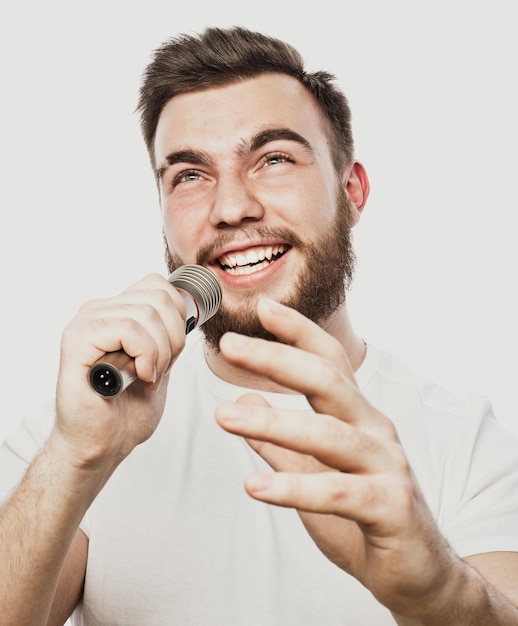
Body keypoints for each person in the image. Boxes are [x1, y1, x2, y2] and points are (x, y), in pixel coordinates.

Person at [1, 25, 518, 626]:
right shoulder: (80, 426)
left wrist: (434, 591)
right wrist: (76, 458)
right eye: (190, 175)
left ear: (351, 191)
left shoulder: (465, 441)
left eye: (273, 159)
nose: (231, 208)